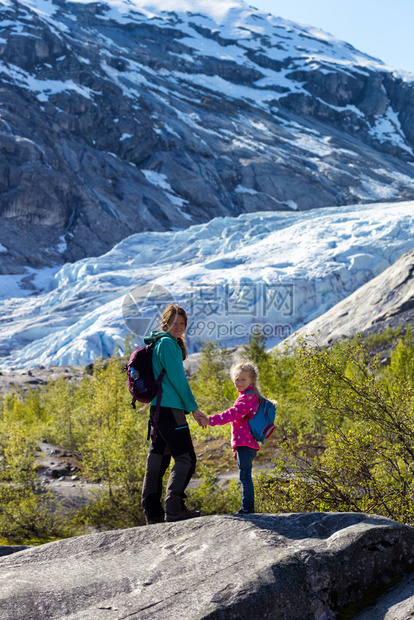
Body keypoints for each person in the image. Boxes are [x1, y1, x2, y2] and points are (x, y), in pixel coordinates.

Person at [141, 304, 207, 524]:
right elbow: (179, 380)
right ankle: (174, 507)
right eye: (174, 323)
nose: (179, 327)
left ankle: (152, 510)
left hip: (157, 409)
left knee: (158, 457)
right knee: (186, 457)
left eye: (182, 324)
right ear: (165, 323)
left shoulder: (158, 342)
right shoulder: (169, 344)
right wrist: (194, 409)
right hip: (170, 409)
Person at [207, 361, 260, 514]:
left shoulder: (248, 398)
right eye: (236, 379)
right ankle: (247, 507)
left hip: (246, 443)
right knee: (244, 474)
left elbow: (232, 414)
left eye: (243, 379)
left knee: (245, 476)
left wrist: (210, 420)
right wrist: (234, 446)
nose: (238, 382)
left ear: (252, 380)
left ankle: (247, 508)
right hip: (244, 443)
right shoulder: (246, 396)